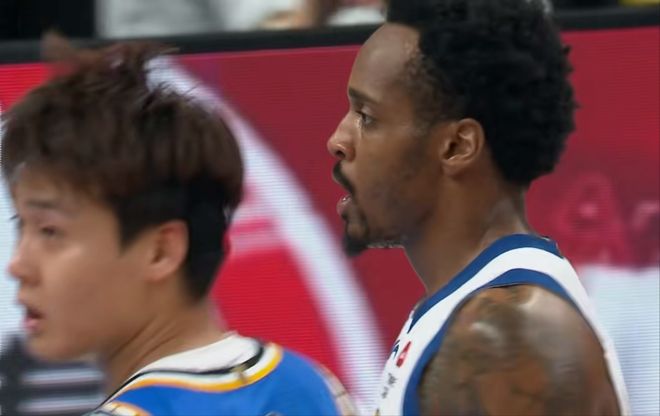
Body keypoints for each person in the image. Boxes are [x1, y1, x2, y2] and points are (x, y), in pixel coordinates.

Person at [1, 35, 355, 416]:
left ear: (161, 250)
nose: (18, 265)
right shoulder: (316, 386)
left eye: (50, 231)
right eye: (22, 227)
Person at [326, 0, 630, 414]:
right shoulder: (475, 312)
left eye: (367, 116)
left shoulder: (509, 336)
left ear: (456, 146)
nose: (338, 141)